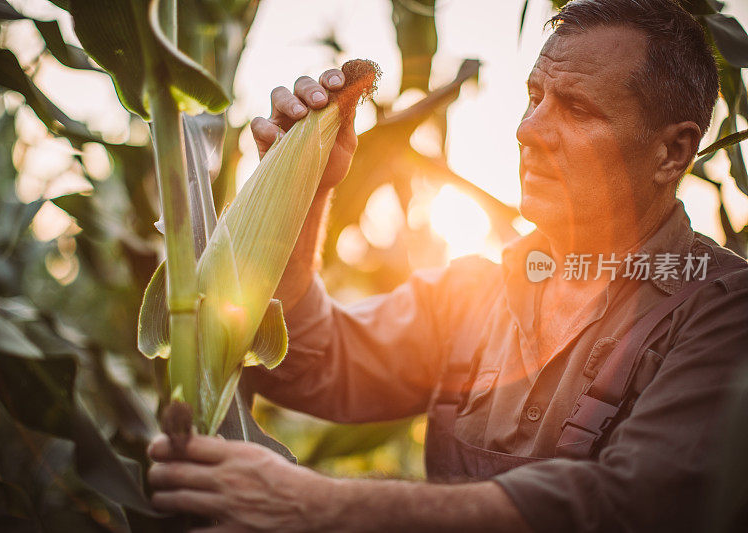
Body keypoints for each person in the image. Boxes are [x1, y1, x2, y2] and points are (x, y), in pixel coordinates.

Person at [145, 0, 748, 531]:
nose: (527, 130)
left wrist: (316, 505)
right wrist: (305, 186)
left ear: (672, 151)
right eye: (534, 97)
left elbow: (628, 506)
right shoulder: (474, 292)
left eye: (578, 109)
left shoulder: (723, 310)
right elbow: (312, 363)